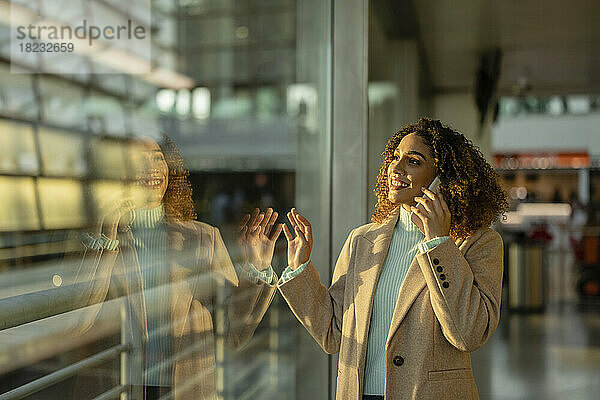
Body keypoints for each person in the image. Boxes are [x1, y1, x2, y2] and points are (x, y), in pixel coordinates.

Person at [277, 118, 508, 400]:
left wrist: (438, 243)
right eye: (394, 158)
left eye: (413, 161)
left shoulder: (478, 243)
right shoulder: (362, 241)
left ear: (442, 178)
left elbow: (468, 333)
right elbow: (333, 332)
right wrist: (299, 268)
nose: (395, 169)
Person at [72, 135, 281, 400]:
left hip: (186, 389)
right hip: (116, 387)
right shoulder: (96, 237)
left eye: (158, 158)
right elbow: (79, 323)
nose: (153, 168)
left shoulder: (203, 237)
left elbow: (233, 333)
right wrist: (106, 238)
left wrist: (256, 270)